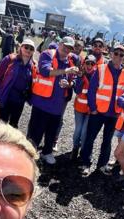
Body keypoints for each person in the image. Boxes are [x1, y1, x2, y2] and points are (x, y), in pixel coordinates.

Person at [78, 44, 124, 176]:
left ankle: (101, 165)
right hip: (98, 112)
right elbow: (92, 90)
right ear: (111, 54)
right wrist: (93, 108)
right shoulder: (101, 69)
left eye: (121, 54)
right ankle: (85, 163)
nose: (118, 56)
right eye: (116, 53)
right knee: (90, 138)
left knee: (107, 141)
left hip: (114, 114)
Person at [28, 37, 79, 165]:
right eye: (65, 46)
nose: (67, 49)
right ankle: (29, 152)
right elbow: (45, 71)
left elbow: (74, 80)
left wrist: (69, 83)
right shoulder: (47, 54)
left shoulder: (71, 61)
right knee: (36, 130)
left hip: (57, 105)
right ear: (60, 44)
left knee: (51, 131)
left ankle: (47, 152)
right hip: (42, 102)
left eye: (70, 48)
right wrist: (65, 71)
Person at [0, 39, 36, 128]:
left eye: (31, 49)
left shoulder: (33, 65)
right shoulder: (10, 59)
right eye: (26, 47)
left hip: (20, 100)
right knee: (2, 123)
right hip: (6, 96)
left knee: (13, 125)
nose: (28, 50)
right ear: (21, 47)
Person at [71, 55, 97, 160]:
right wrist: (81, 78)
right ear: (84, 64)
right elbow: (77, 90)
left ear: (95, 65)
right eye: (87, 63)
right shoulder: (79, 75)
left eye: (92, 63)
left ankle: (83, 152)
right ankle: (75, 148)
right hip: (79, 108)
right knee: (78, 130)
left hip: (90, 109)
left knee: (84, 132)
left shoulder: (97, 76)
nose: (89, 65)